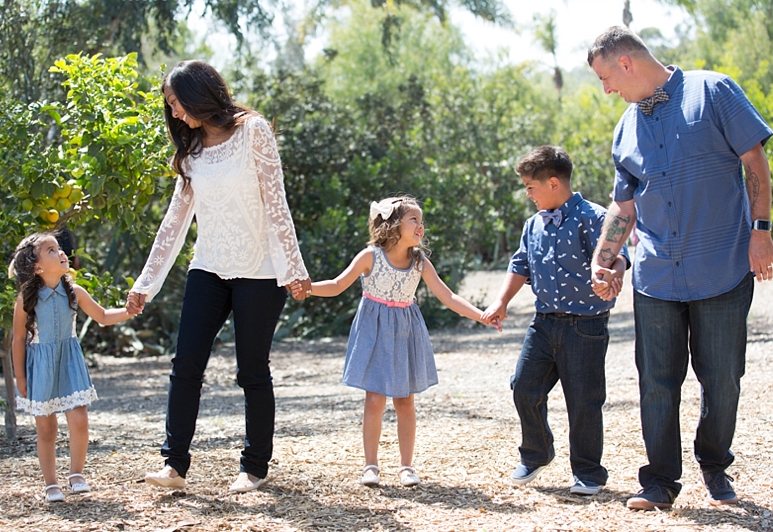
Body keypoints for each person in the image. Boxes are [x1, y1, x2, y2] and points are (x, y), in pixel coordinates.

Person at [586, 26, 773, 510]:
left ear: (625, 63)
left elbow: (753, 159)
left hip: (721, 266)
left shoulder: (713, 90)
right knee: (656, 382)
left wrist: (761, 230)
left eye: (606, 78)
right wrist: (602, 259)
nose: (606, 89)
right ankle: (659, 482)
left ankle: (714, 464)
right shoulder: (626, 126)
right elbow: (622, 205)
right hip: (656, 275)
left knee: (722, 378)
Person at [125, 60, 311, 493]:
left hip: (261, 273)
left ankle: (254, 467)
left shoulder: (253, 131)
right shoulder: (191, 151)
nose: (174, 114)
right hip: (208, 267)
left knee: (251, 370)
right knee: (185, 363)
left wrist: (293, 269)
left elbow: (276, 202)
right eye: (168, 106)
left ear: (199, 94)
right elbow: (174, 222)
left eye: (177, 103)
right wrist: (144, 284)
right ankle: (174, 465)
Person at [299, 196, 499, 487]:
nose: (421, 225)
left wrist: (481, 316)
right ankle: (371, 465)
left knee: (405, 400)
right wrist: (309, 289)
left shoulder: (419, 262)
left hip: (405, 331)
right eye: (414, 219)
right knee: (375, 399)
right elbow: (338, 285)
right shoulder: (370, 256)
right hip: (375, 331)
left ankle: (406, 466)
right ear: (394, 224)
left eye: (421, 220)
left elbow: (448, 296)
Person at [481, 146, 629, 494]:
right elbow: (520, 265)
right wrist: (501, 302)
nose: (527, 194)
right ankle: (537, 453)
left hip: (586, 326)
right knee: (524, 386)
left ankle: (589, 473)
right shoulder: (533, 225)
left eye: (530, 187)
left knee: (584, 401)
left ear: (552, 183)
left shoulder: (593, 217)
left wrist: (613, 274)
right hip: (543, 323)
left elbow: (617, 257)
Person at [10, 232, 134, 502]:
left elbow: (101, 316)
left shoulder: (74, 292)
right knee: (47, 429)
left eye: (59, 248)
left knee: (79, 421)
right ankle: (51, 483)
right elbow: (18, 339)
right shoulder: (25, 300)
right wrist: (20, 377)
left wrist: (128, 311)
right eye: (52, 250)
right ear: (37, 266)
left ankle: (76, 474)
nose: (62, 252)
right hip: (41, 368)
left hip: (70, 363)